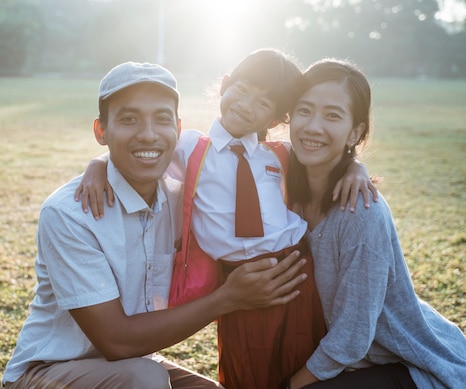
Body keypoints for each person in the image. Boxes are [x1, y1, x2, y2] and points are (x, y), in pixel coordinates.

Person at [75, 49, 377, 389]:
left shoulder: (280, 155)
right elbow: (143, 147)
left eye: (264, 104)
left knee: (298, 366)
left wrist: (356, 167)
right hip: (238, 285)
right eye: (243, 89)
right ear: (224, 84)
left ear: (275, 120)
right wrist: (97, 165)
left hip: (294, 276)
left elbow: (328, 159)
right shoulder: (190, 148)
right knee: (245, 370)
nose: (247, 105)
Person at [1, 61, 311, 389]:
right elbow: (115, 341)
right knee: (146, 380)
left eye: (161, 119)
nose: (148, 133)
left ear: (177, 129)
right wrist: (228, 298)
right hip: (51, 370)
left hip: (133, 363)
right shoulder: (69, 214)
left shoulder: (183, 198)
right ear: (101, 132)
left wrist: (352, 169)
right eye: (129, 119)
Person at [284, 58, 466, 389]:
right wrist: (356, 165)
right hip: (360, 363)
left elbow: (352, 336)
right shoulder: (282, 178)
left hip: (413, 364)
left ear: (356, 131)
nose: (312, 126)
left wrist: (293, 385)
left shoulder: (360, 212)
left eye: (332, 115)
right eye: (304, 110)